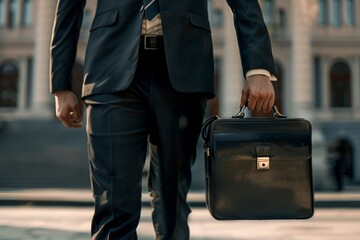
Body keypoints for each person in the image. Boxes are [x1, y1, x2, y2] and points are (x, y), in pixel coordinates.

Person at [50, 0, 277, 239]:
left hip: (184, 69)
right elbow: (69, 6)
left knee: (172, 206)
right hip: (110, 69)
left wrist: (258, 68)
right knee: (113, 206)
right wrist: (61, 85)